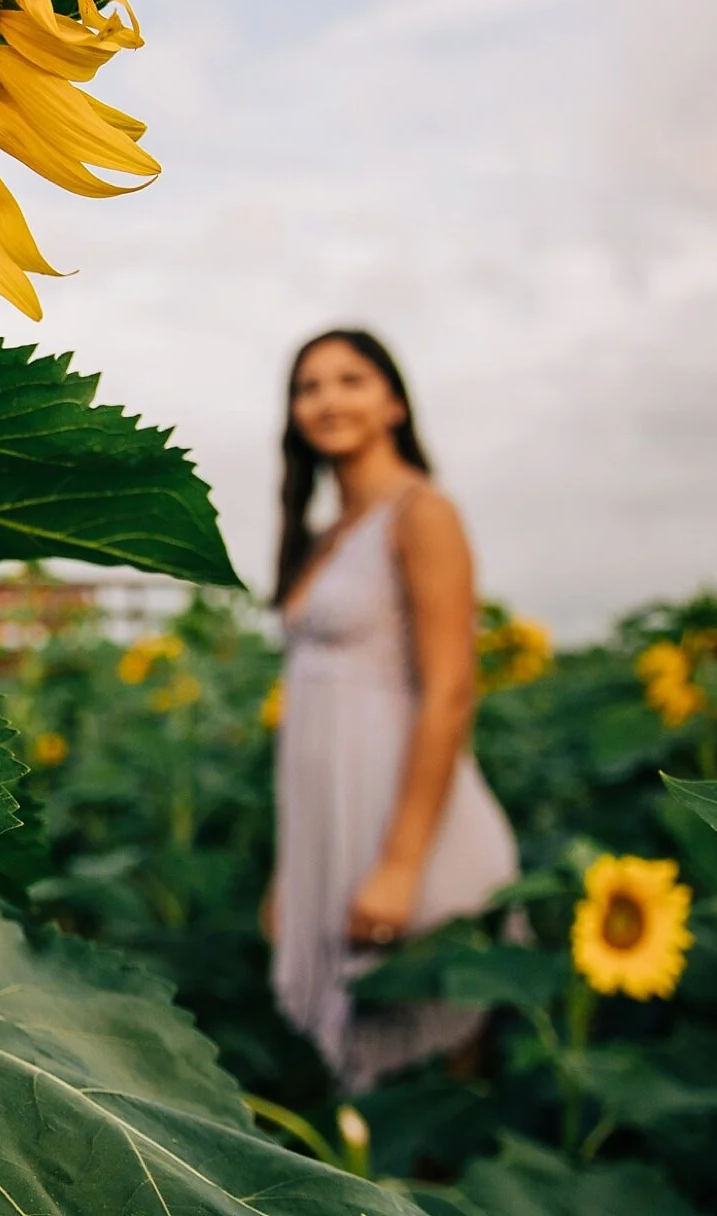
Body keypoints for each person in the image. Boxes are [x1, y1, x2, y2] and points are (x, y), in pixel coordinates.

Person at [265, 328, 518, 1093]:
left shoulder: (421, 512)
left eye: (350, 378)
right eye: (308, 385)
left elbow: (448, 689)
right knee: (360, 1091)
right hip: (329, 824)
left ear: (394, 401)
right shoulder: (320, 536)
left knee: (432, 1086)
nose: (327, 398)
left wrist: (401, 865)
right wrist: (289, 871)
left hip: (407, 829)